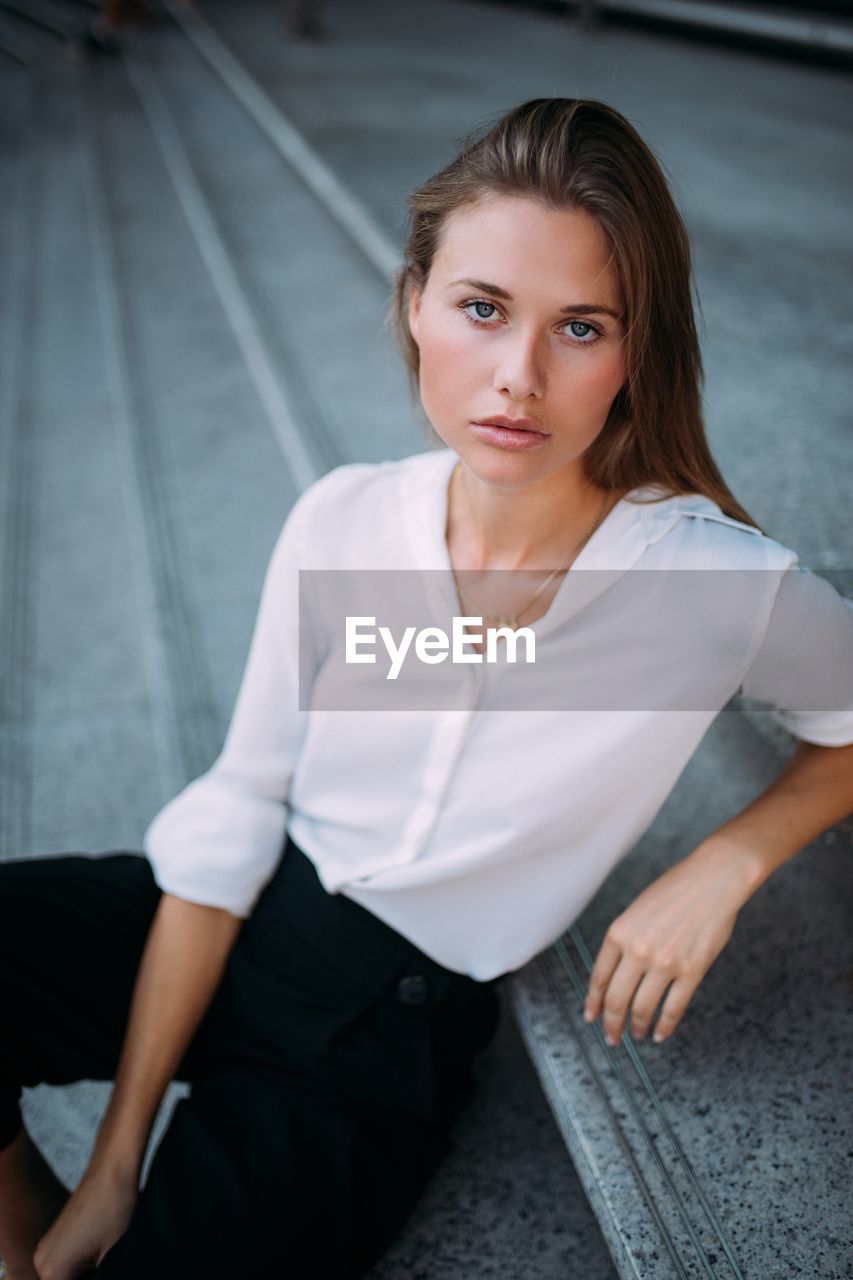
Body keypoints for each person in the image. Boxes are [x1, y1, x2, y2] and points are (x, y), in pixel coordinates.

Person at [1, 97, 852, 1280]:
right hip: (255, 910)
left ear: (633, 352)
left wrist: (726, 859)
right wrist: (109, 1160)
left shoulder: (707, 583)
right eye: (483, 307)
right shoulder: (345, 518)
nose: (518, 376)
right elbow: (238, 807)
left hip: (384, 1032)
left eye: (582, 326)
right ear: (416, 302)